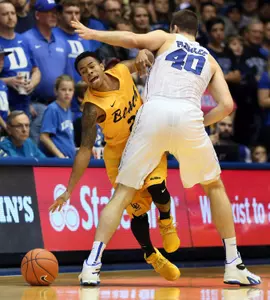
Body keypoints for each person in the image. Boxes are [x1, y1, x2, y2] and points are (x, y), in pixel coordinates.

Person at [56, 9, 263, 286]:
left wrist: (94, 34)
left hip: (153, 114)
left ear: (174, 26)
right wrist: (200, 123)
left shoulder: (166, 38)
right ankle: (233, 264)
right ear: (197, 32)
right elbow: (226, 106)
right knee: (214, 187)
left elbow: (130, 39)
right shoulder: (210, 59)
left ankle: (92, 265)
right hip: (189, 114)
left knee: (123, 193)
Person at [50, 50, 181, 283]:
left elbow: (145, 60)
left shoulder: (121, 70)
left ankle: (166, 221)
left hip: (147, 142)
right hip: (120, 156)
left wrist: (144, 52)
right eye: (83, 71)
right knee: (137, 211)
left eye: (91, 66)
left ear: (101, 65)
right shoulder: (92, 107)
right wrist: (69, 190)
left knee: (157, 188)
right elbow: (85, 150)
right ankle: (151, 254)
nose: (89, 72)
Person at [40, 75, 76, 159]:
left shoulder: (69, 110)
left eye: (70, 90)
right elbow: (44, 137)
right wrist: (60, 156)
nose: (67, 93)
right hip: (56, 161)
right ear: (56, 91)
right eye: (63, 89)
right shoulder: (53, 109)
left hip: (69, 159)